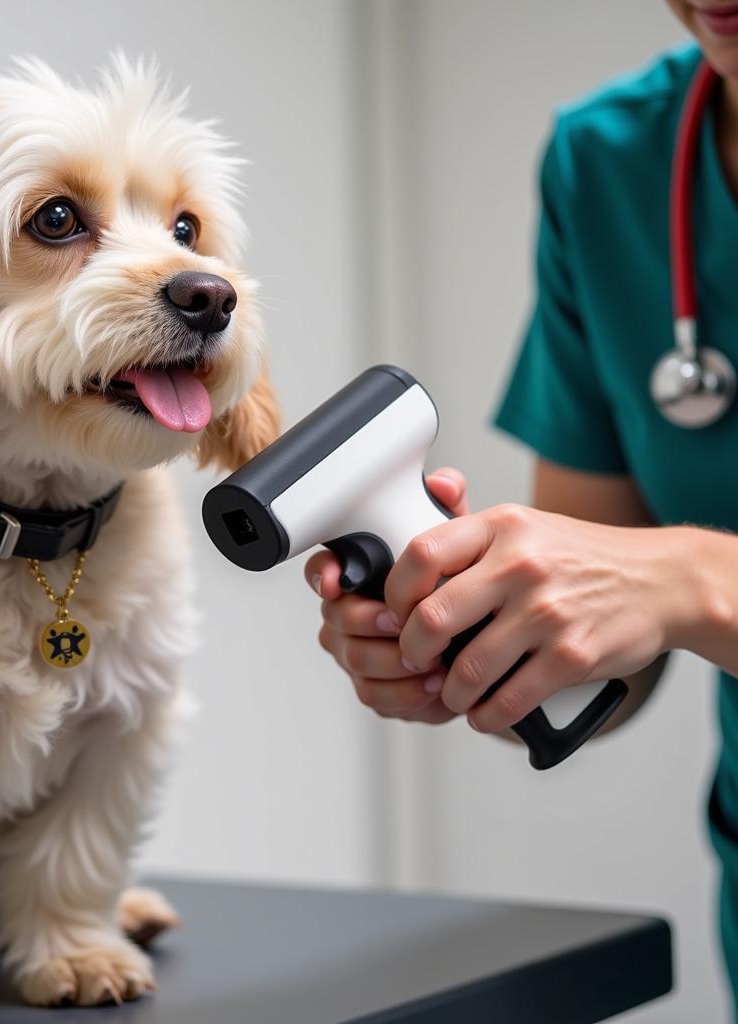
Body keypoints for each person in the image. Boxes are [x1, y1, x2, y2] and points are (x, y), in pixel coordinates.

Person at [306, 2, 738, 1010]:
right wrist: (483, 640)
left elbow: (662, 584)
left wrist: (686, 578)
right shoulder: (609, 165)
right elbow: (614, 662)